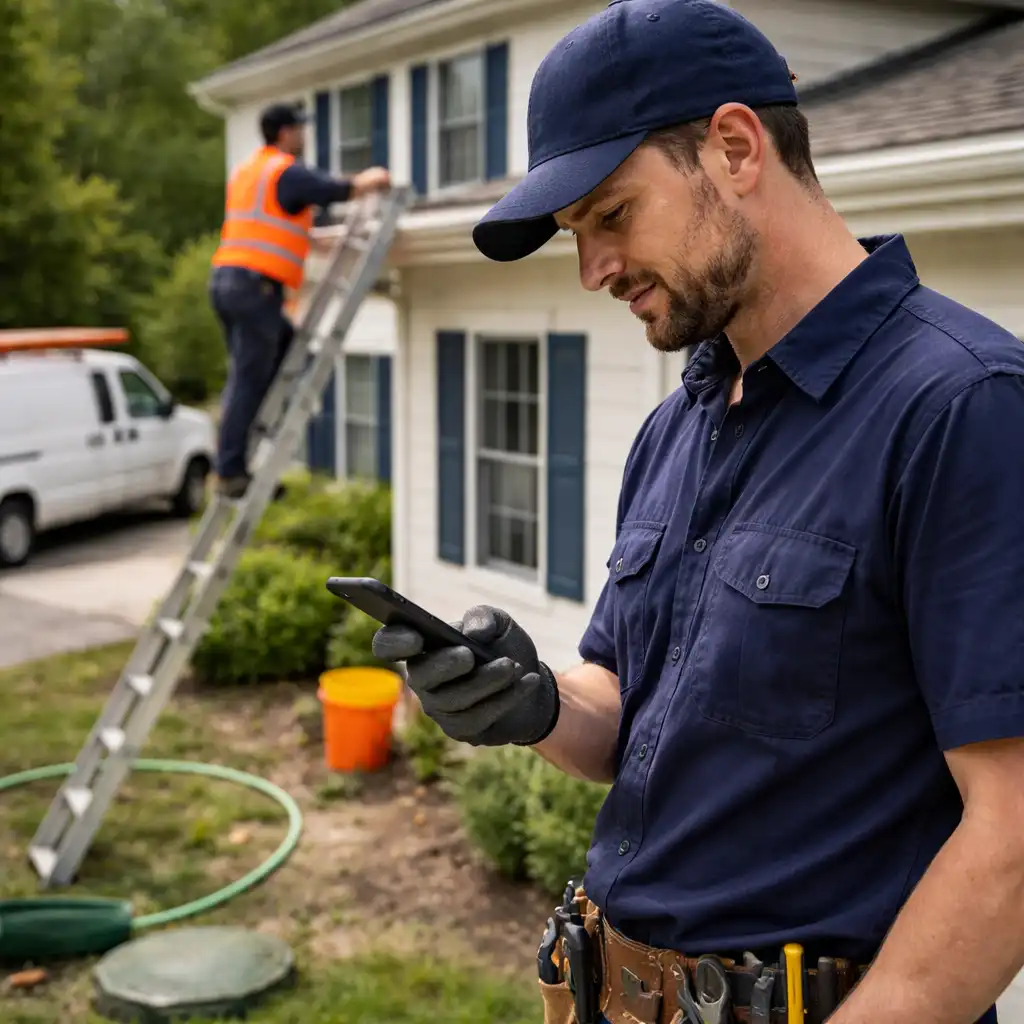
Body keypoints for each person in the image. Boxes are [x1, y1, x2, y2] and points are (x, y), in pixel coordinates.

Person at [371, 1, 1024, 1023]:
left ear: (732, 147)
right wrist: (534, 702)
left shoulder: (962, 406)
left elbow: (1013, 832)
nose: (593, 272)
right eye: (577, 236)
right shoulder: (675, 429)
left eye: (611, 216)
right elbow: (634, 709)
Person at [209, 102, 391, 498]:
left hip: (231, 281)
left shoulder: (250, 171)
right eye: (300, 129)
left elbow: (276, 224)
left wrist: (317, 241)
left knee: (281, 354)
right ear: (285, 133)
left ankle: (240, 450)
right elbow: (332, 189)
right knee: (249, 377)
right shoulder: (284, 171)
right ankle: (229, 471)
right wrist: (369, 180)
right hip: (254, 287)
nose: (305, 136)